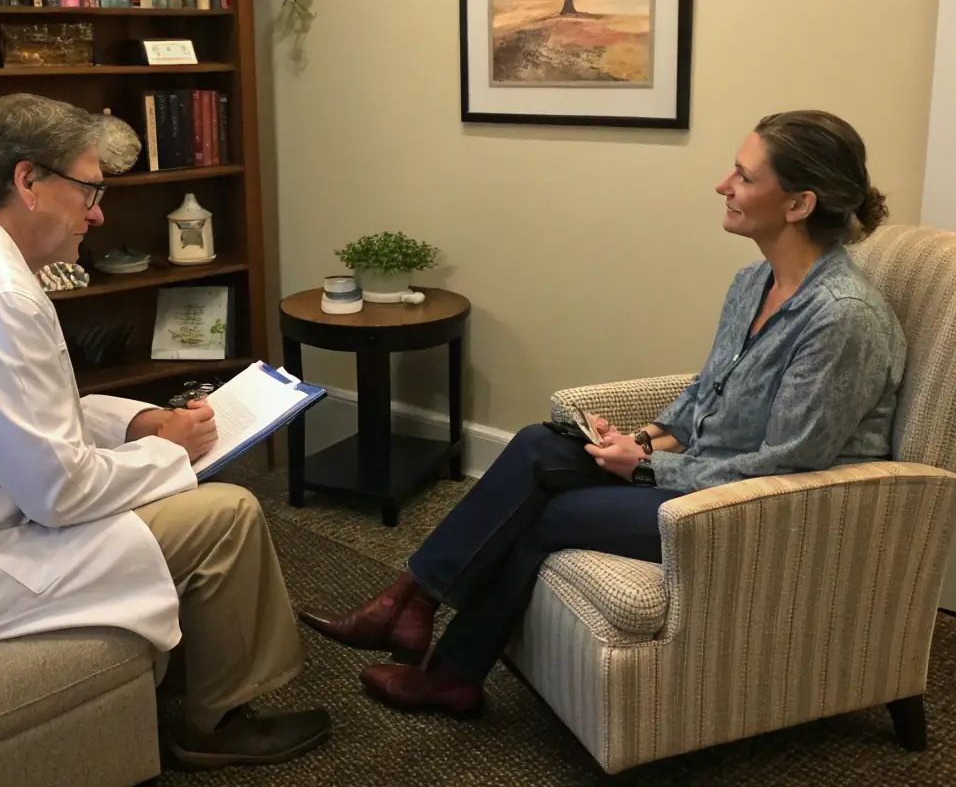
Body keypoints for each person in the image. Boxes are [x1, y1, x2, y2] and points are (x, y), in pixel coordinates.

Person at [300, 109, 907, 716]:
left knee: (544, 512)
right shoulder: (755, 281)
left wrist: (645, 469)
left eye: (744, 177)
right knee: (542, 443)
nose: (723, 185)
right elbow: (706, 392)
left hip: (750, 513)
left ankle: (437, 652)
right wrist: (643, 439)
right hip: (700, 475)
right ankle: (412, 604)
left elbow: (786, 466)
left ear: (799, 204)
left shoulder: (841, 319)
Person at [0, 93, 330, 768]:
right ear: (27, 181)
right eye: (89, 189)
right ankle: (214, 723)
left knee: (175, 488)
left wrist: (141, 420)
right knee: (229, 513)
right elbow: (58, 492)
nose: (97, 213)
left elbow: (38, 417)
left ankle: (196, 659)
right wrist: (169, 451)